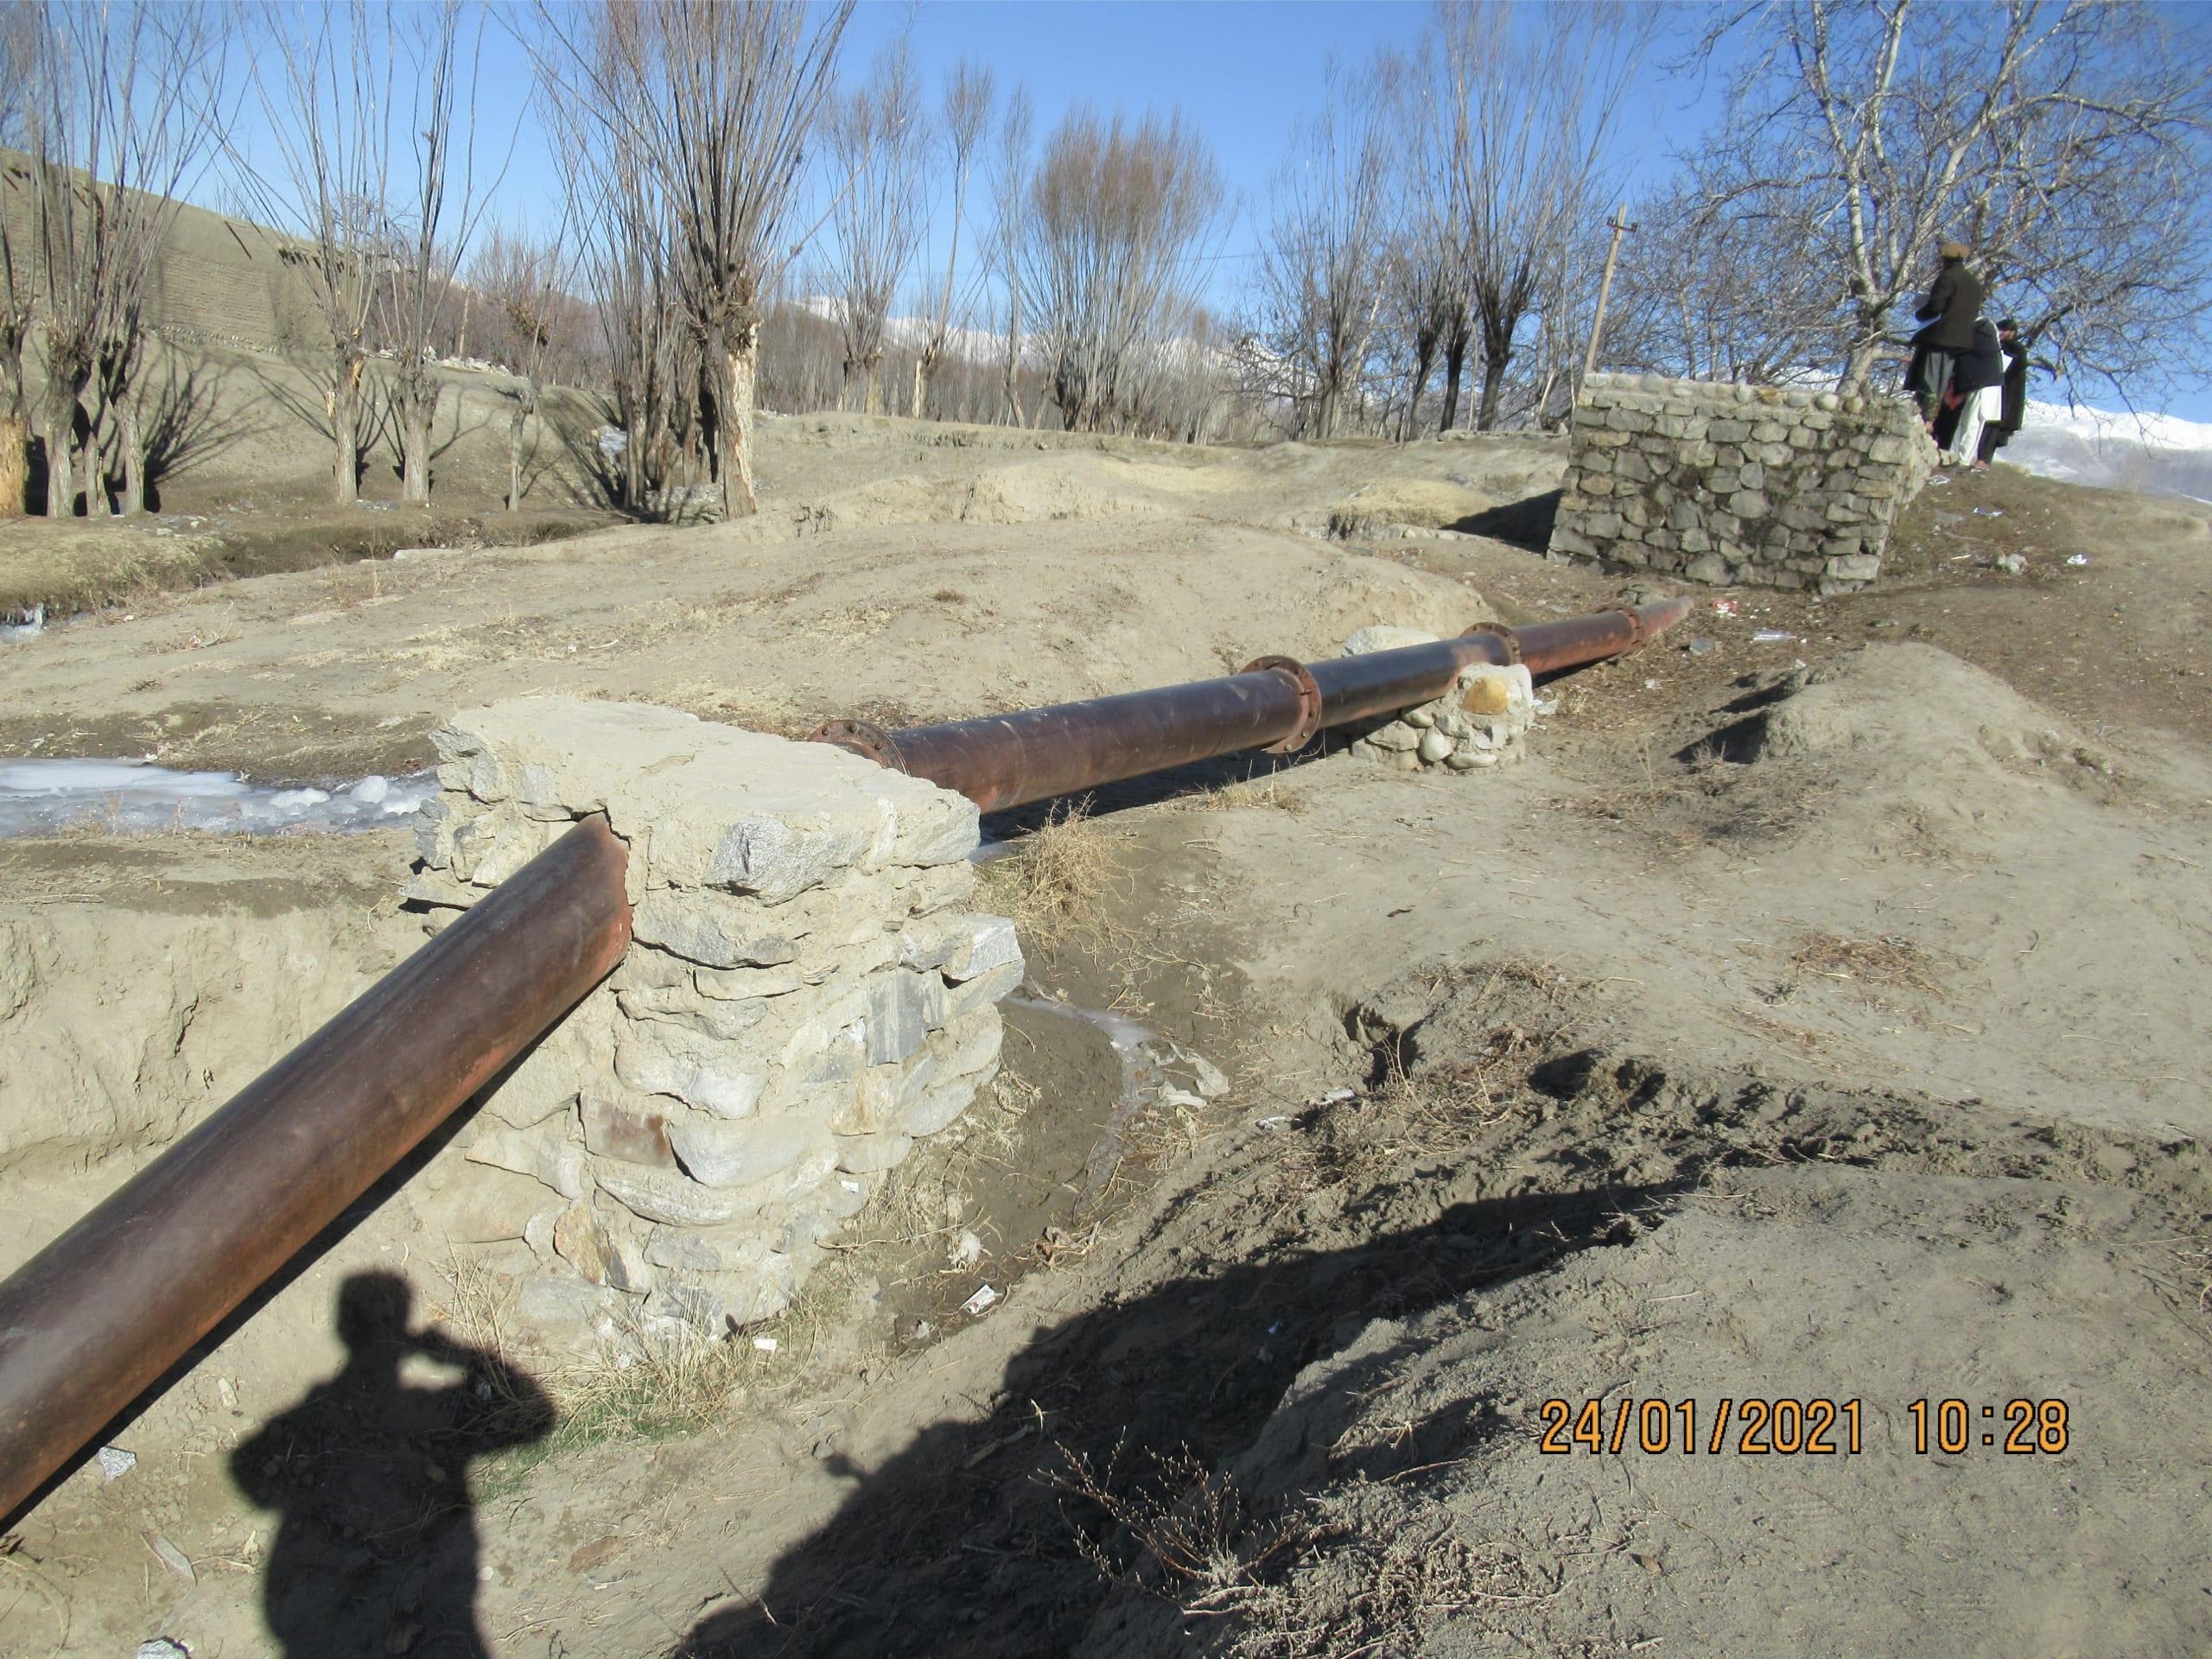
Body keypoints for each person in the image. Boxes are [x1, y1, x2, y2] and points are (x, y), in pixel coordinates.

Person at [1910, 240, 1986, 429]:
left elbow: (1936, 306)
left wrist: (1921, 313)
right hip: (1960, 340)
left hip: (1939, 336)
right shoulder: (1974, 284)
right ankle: (1931, 417)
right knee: (1942, 379)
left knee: (1930, 377)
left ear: (1945, 259)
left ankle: (1926, 418)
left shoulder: (1948, 277)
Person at [1940, 315, 2005, 463]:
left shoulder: (1978, 334)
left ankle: (1963, 459)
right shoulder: (1984, 333)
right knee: (1968, 421)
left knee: (1972, 422)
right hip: (1981, 383)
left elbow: (1956, 352)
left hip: (1983, 385)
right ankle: (1959, 456)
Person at [1974, 319, 2031, 470]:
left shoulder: (2018, 350)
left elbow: (2015, 369)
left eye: (2004, 330)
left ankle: (1984, 461)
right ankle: (1979, 458)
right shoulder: (1994, 346)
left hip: (2007, 395)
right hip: (1992, 389)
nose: (2001, 333)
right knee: (1984, 424)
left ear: (2012, 332)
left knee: (1994, 427)